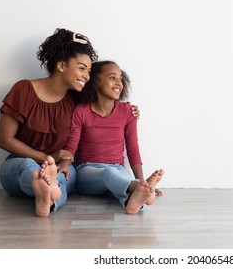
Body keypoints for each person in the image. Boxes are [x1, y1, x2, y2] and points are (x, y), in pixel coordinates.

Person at [0, 28, 139, 217]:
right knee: (29, 168)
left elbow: (103, 107)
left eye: (88, 71)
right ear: (62, 65)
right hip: (18, 164)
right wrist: (46, 158)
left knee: (64, 176)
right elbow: (4, 140)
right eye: (81, 68)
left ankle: (49, 198)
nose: (86, 76)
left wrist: (129, 110)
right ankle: (46, 186)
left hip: (59, 164)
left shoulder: (77, 100)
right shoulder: (24, 90)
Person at [61, 60, 164, 214]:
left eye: (120, 78)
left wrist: (141, 179)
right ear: (95, 81)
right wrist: (64, 163)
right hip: (88, 170)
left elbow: (133, 149)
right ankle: (137, 187)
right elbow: (72, 145)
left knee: (116, 180)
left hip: (118, 168)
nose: (118, 83)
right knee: (109, 175)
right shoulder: (81, 111)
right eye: (112, 77)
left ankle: (134, 199)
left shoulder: (128, 112)